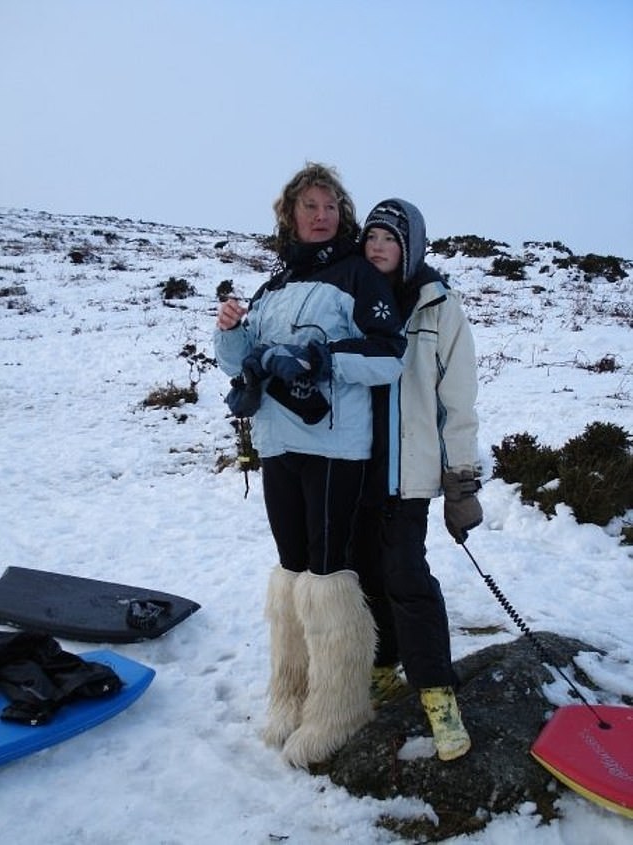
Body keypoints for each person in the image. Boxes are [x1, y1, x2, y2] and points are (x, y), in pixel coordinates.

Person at [213, 164, 406, 768]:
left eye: (330, 206)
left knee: (327, 576)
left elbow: (388, 356)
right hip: (278, 443)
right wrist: (231, 336)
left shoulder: (357, 277)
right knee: (291, 573)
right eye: (309, 206)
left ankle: (338, 709)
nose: (320, 215)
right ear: (290, 216)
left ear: (341, 214)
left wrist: (323, 360)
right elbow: (236, 363)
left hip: (334, 446)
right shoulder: (274, 286)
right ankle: (291, 698)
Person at [354, 198, 482, 761]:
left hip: (408, 476)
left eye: (390, 237)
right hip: (352, 470)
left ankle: (437, 694)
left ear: (412, 247)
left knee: (407, 578)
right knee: (365, 578)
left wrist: (461, 482)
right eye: (371, 236)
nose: (377, 246)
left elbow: (459, 402)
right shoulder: (349, 298)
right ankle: (382, 671)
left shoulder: (439, 307)